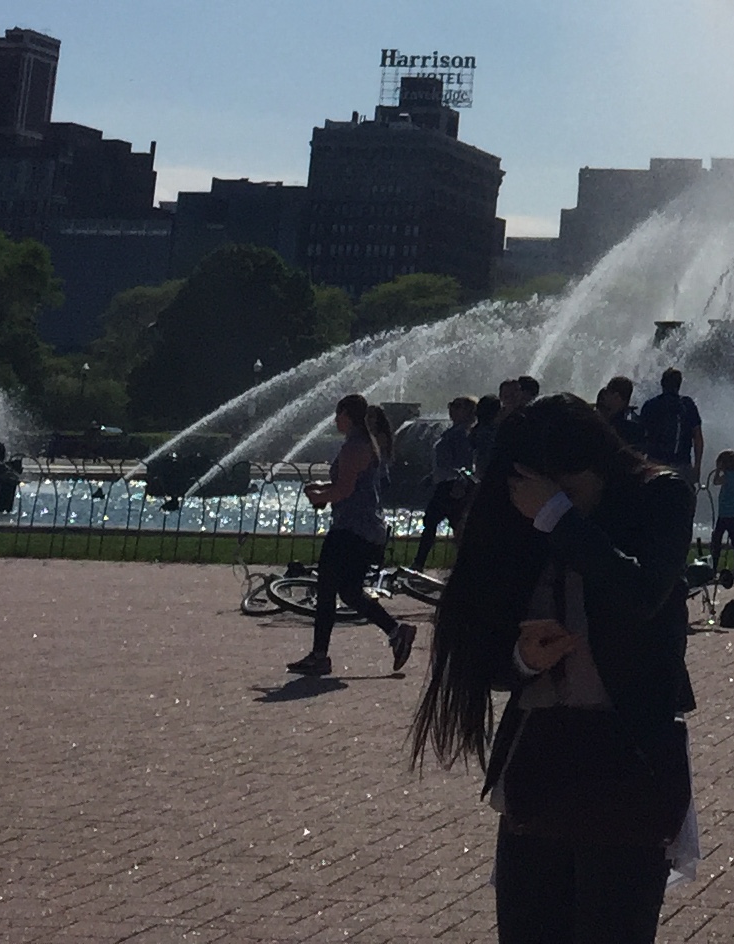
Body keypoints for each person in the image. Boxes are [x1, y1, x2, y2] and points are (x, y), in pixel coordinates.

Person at [412, 394, 699, 944]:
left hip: (627, 758)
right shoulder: (528, 517)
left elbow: (642, 593)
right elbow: (484, 646)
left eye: (567, 489)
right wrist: (523, 659)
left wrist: (558, 516)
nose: (556, 505)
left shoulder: (659, 497)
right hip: (541, 758)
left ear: (598, 465)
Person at [289, 392, 415, 680]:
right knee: (349, 591)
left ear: (347, 415)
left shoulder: (354, 448)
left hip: (351, 529)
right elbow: (350, 484)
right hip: (364, 529)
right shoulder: (361, 445)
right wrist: (321, 488)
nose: (335, 420)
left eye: (338, 414)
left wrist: (318, 495)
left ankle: (319, 656)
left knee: (327, 589)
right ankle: (397, 632)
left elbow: (344, 490)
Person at [418, 396, 482, 570]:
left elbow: (463, 464)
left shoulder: (461, 435)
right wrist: (432, 476)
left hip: (452, 487)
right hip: (446, 484)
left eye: (457, 406)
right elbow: (446, 462)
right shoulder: (454, 432)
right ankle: (468, 564)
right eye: (451, 405)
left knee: (434, 522)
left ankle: (419, 563)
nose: (452, 409)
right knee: (448, 525)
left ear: (469, 412)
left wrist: (459, 483)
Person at [706, 450, 734, 584]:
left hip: (724, 513)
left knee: (717, 540)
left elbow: (715, 482)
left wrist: (717, 471)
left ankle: (713, 568)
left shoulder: (727, 476)